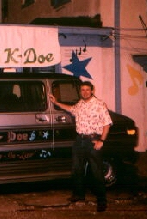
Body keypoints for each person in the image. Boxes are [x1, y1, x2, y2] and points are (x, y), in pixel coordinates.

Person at [49, 81, 112, 212]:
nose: (85, 92)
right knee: (77, 169)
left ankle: (101, 201)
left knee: (96, 172)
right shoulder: (80, 104)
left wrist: (101, 140)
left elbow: (106, 124)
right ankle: (79, 195)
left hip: (93, 140)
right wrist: (57, 102)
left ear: (92, 91)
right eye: (82, 90)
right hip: (79, 140)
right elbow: (71, 109)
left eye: (87, 90)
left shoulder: (100, 105)